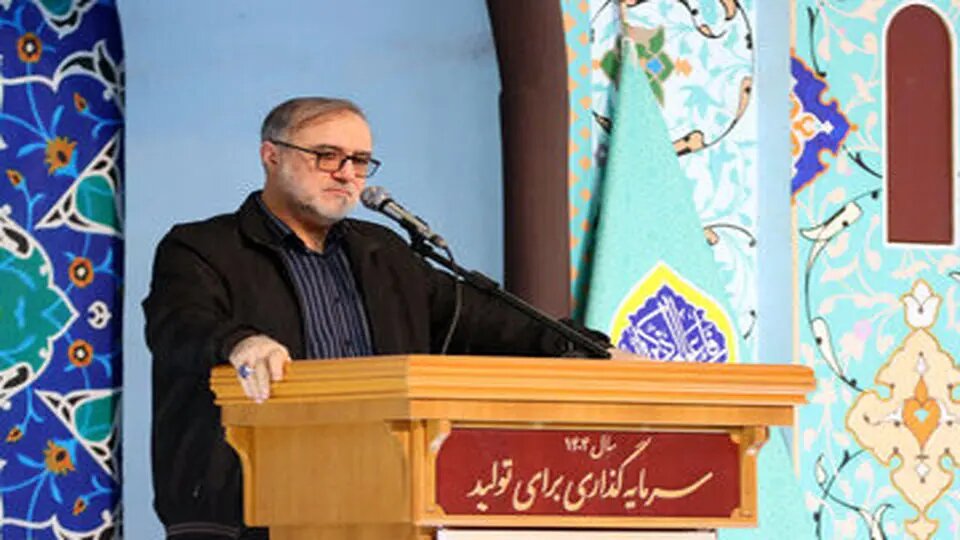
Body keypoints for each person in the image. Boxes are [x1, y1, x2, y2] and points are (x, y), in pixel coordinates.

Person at [143, 97, 611, 539]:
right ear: (272, 156)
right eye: (327, 156)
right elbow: (178, 324)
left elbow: (484, 319)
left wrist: (589, 349)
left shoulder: (381, 252)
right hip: (248, 510)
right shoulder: (203, 247)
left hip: (381, 500)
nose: (347, 174)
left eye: (360, 160)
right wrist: (241, 342)